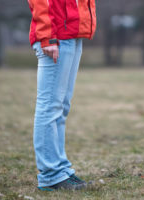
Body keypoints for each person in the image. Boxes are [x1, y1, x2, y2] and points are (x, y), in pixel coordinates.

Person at [28, 0, 96, 191]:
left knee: (61, 107)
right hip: (55, 35)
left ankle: (60, 170)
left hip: (71, 34)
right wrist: (47, 36)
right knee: (50, 108)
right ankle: (51, 175)